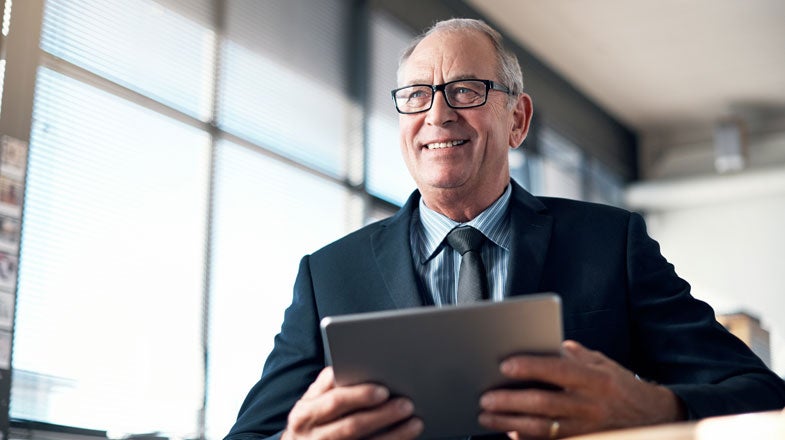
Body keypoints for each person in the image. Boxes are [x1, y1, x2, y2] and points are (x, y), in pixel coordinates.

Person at [226, 18, 785, 440]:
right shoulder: (328, 273)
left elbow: (760, 392)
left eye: (465, 90)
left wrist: (652, 409)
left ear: (517, 119)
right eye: (416, 95)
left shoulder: (609, 244)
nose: (438, 115)